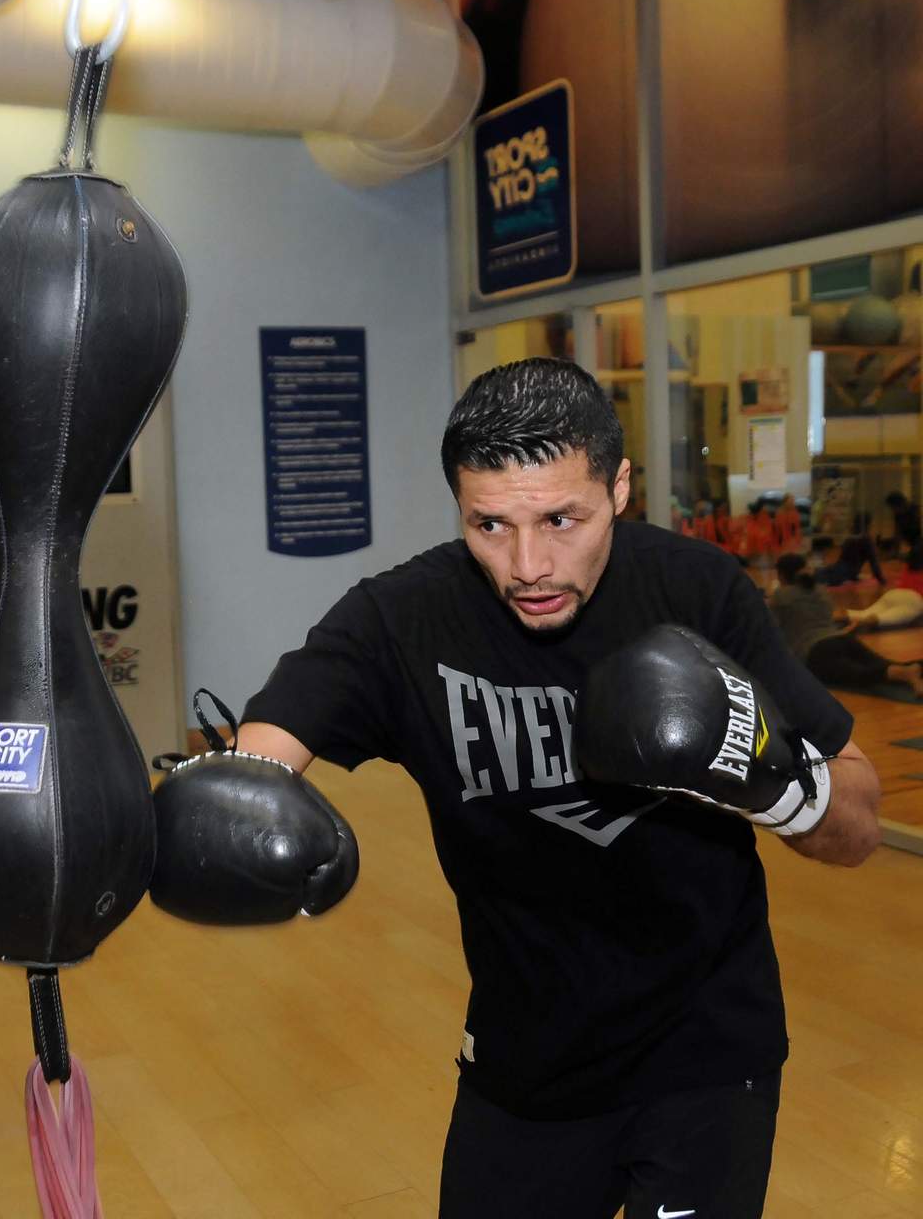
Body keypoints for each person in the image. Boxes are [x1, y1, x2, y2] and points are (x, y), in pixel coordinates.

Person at [235, 359, 881, 1219]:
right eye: (490, 525)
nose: (528, 564)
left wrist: (772, 782)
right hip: (525, 1056)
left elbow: (860, 817)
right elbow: (268, 745)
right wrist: (240, 808)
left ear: (619, 487)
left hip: (707, 1051)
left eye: (561, 519)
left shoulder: (695, 591)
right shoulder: (403, 617)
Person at [771, 553, 922, 697]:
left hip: (816, 651)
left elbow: (771, 630)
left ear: (781, 575)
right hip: (843, 638)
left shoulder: (780, 596)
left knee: (858, 674)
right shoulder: (820, 590)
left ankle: (904, 673)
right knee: (881, 662)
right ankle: (911, 670)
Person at [845, 540, 923, 630]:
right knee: (884, 618)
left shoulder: (910, 566)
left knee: (863, 613)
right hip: (915, 599)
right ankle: (864, 622)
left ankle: (837, 615)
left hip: (895, 593)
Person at [814, 512, 885, 587]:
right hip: (848, 571)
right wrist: (881, 580)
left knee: (822, 574)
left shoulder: (852, 537)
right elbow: (873, 562)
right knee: (823, 575)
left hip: (843, 568)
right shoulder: (866, 540)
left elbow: (842, 557)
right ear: (868, 524)